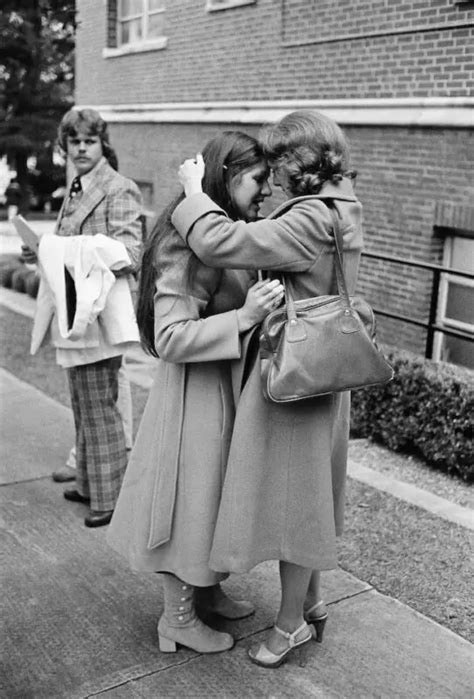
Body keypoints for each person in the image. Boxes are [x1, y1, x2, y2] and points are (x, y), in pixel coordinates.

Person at [172, 110, 362, 668]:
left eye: (278, 165)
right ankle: (313, 601)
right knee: (310, 494)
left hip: (296, 377)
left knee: (295, 503)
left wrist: (190, 191)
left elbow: (221, 242)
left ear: (301, 163)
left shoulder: (310, 219)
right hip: (325, 371)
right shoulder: (344, 205)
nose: (273, 179)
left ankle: (291, 625)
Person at [107, 131, 283, 655]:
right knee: (192, 501)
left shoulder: (223, 229)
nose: (268, 190)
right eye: (259, 179)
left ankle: (206, 592)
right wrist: (246, 315)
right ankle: (177, 618)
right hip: (196, 396)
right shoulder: (182, 241)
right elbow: (170, 337)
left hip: (223, 386)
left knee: (215, 496)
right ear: (227, 176)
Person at [23, 108, 143, 528]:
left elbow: (130, 252)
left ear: (102, 143)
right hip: (76, 313)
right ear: (65, 147)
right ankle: (91, 484)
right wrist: (42, 250)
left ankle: (111, 498)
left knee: (100, 406)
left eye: (89, 141)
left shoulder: (119, 187)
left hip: (101, 314)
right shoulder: (76, 187)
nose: (81, 148)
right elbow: (70, 245)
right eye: (74, 142)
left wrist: (69, 251)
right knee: (83, 403)